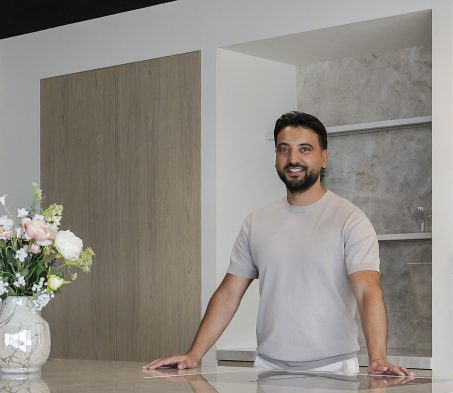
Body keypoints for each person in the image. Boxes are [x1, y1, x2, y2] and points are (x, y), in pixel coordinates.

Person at [145, 111, 412, 377]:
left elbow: (368, 292)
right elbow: (228, 294)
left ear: (324, 158)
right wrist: (194, 354)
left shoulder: (350, 219)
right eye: (284, 149)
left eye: (305, 149)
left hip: (333, 369)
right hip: (269, 367)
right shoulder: (256, 222)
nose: (293, 159)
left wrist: (378, 357)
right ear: (276, 157)